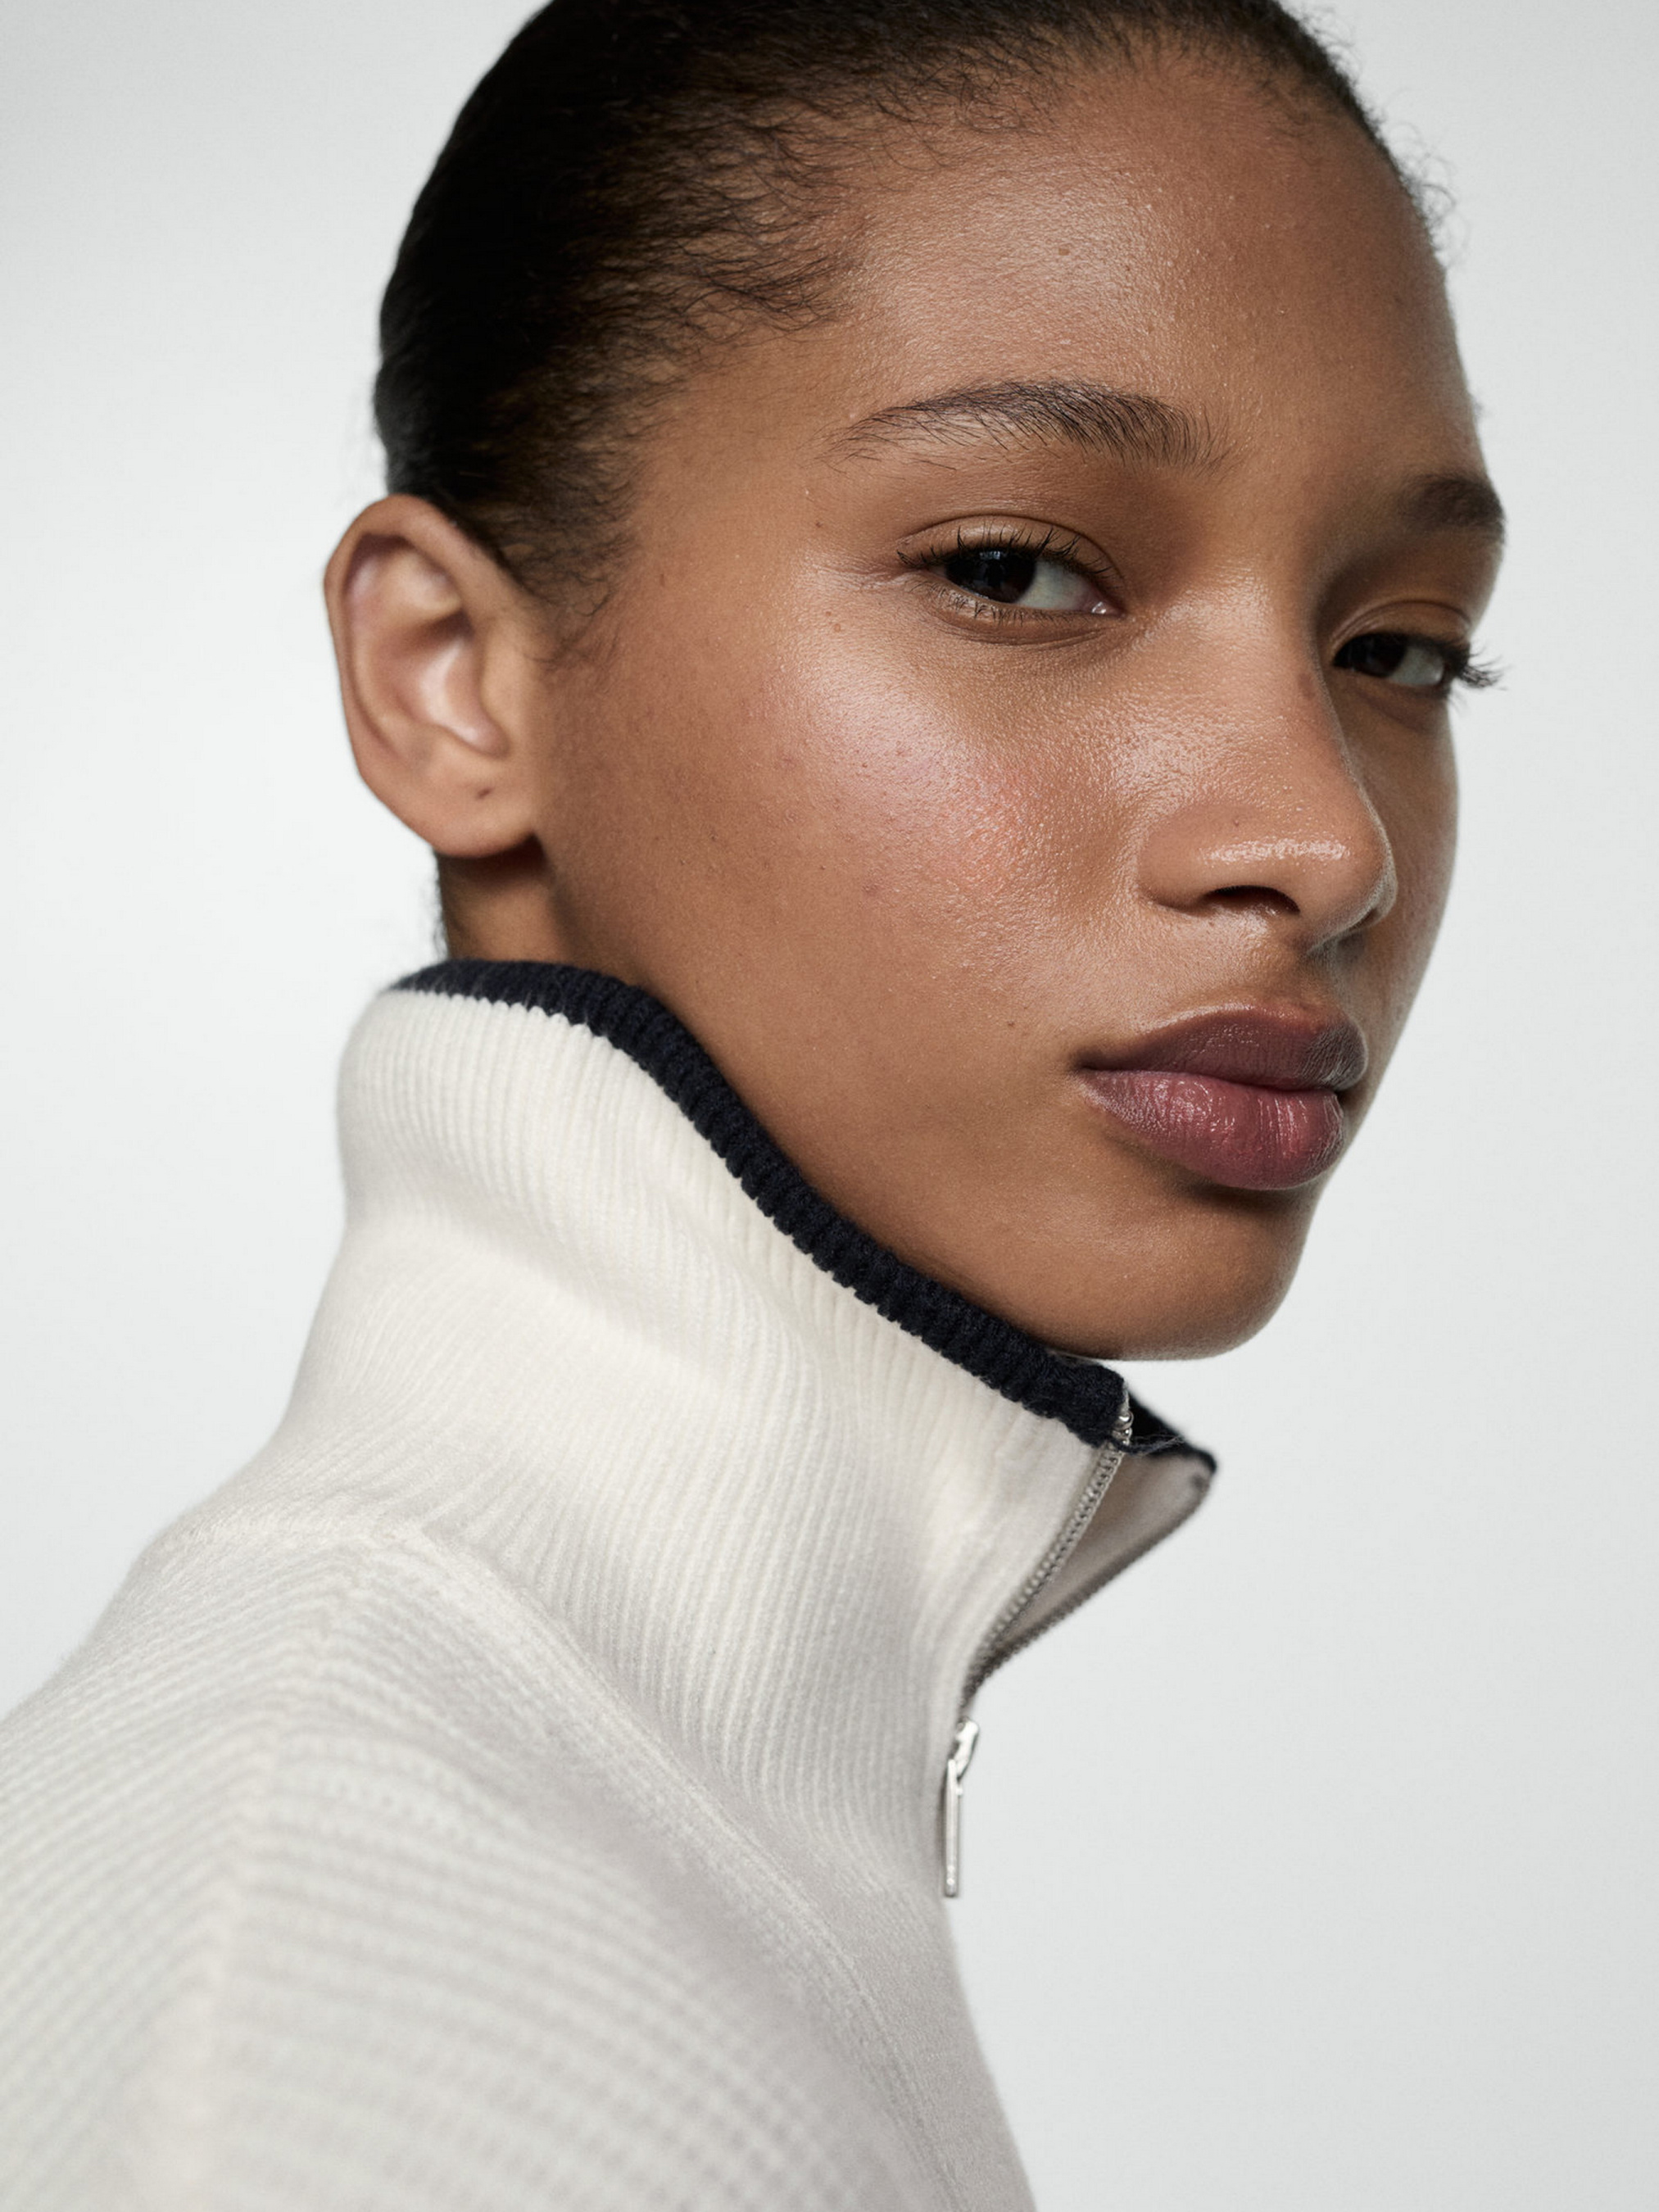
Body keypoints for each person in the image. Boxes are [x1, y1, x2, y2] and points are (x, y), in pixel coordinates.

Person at [0, 0, 1503, 2204]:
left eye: (1400, 649)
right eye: (1013, 570)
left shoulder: (606, 1829)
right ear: (452, 679)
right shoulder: (330, 2015)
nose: (1323, 837)